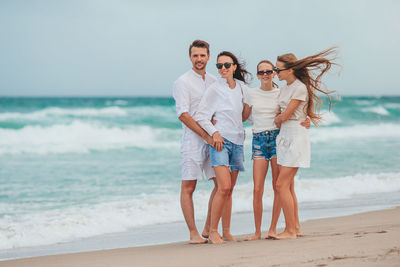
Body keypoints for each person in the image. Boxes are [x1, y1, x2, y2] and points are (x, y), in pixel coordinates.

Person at [272, 47, 338, 239]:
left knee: (280, 185)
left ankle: (290, 230)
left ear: (290, 70)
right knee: (288, 185)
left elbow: (285, 115)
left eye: (279, 70)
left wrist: (279, 118)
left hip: (296, 136)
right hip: (284, 136)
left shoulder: (300, 88)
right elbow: (279, 114)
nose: (276, 73)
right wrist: (279, 118)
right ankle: (296, 228)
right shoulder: (284, 88)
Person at [243, 60, 309, 241]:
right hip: (258, 140)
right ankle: (257, 232)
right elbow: (243, 116)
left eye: (269, 71)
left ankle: (272, 229)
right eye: (261, 72)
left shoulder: (281, 92)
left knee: (279, 186)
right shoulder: (251, 93)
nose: (265, 74)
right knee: (257, 189)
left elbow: (294, 109)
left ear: (273, 73)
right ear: (257, 75)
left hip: (278, 139)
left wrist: (307, 118)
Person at [194, 51, 251, 244]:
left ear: (234, 66)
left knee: (229, 189)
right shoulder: (214, 88)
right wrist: (214, 133)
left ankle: (226, 231)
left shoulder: (243, 88)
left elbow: (247, 115)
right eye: (219, 66)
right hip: (220, 143)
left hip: (238, 143)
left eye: (227, 65)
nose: (223, 69)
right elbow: (201, 115)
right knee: (223, 187)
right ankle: (212, 231)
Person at [172, 40, 217, 244]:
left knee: (221, 184)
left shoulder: (214, 80)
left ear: (208, 57)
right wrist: (205, 135)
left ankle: (209, 228)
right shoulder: (182, 81)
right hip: (192, 140)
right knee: (189, 186)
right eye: (195, 55)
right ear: (190, 57)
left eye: (202, 55)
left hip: (213, 138)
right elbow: (183, 114)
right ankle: (193, 233)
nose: (199, 59)